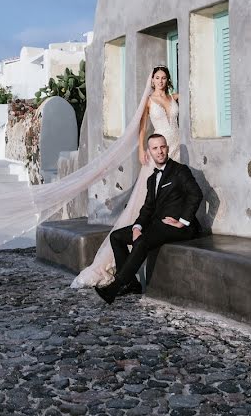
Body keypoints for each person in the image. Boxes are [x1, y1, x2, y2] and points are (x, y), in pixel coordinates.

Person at [71, 66, 181, 288]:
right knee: (146, 197)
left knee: (173, 188)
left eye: (163, 78)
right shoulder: (149, 101)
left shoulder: (173, 97)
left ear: (168, 80)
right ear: (152, 81)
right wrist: (142, 150)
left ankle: (169, 223)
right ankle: (132, 241)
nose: (160, 81)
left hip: (176, 147)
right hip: (157, 149)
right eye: (157, 78)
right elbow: (142, 128)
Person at [95, 133, 203, 303]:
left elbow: (195, 194)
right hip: (158, 226)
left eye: (162, 147)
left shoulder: (180, 170)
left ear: (167, 148)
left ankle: (115, 287)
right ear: (149, 152)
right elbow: (148, 208)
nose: (160, 151)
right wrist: (137, 227)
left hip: (179, 228)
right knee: (116, 237)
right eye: (155, 148)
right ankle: (131, 284)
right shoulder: (152, 179)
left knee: (142, 242)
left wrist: (182, 221)